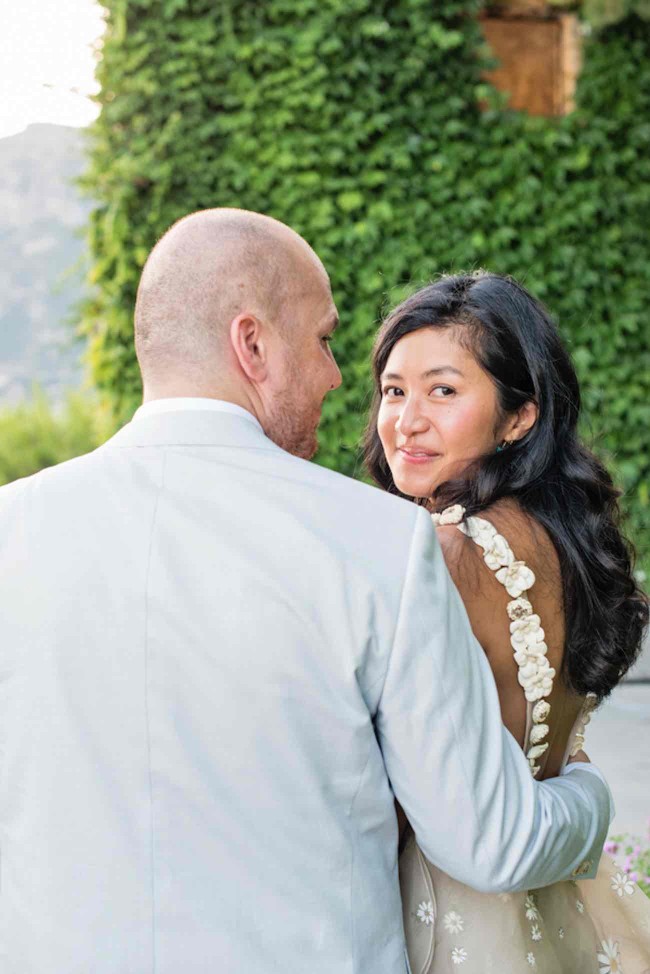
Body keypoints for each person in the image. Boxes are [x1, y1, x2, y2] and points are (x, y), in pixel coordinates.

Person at [0, 212, 613, 974]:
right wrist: (591, 799)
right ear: (252, 345)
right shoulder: (380, 542)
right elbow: (493, 842)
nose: (335, 376)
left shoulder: (10, 529)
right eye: (324, 341)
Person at [363, 270, 650, 973]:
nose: (407, 420)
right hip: (559, 907)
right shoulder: (570, 543)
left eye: (444, 390)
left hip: (435, 911)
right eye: (394, 390)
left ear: (520, 415)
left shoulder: (438, 552)